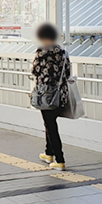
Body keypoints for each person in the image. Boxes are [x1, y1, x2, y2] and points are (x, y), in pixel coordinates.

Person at [31, 22, 70, 171]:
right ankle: (49, 153)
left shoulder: (43, 51)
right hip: (60, 94)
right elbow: (67, 73)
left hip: (46, 94)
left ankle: (60, 159)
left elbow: (35, 70)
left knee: (51, 126)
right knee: (50, 122)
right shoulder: (62, 52)